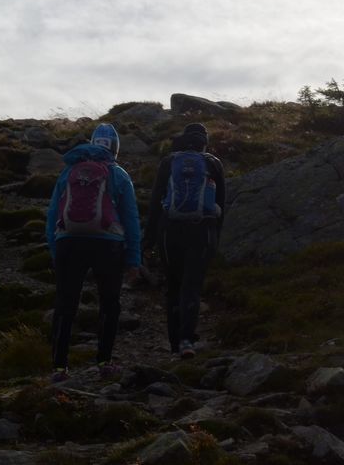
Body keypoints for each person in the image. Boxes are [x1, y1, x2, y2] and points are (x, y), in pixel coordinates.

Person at [44, 123, 142, 383]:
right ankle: (105, 362)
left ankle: (59, 368)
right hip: (108, 244)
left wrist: (55, 248)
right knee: (109, 303)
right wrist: (133, 260)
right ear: (115, 148)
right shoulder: (119, 174)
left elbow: (53, 213)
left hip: (69, 242)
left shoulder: (68, 172)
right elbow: (131, 219)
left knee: (66, 303)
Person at [145, 122, 225, 359]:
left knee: (173, 287)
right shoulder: (213, 163)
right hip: (201, 233)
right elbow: (221, 202)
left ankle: (173, 344)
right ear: (204, 142)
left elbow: (155, 202)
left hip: (169, 232)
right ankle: (187, 341)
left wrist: (148, 240)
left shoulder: (169, 162)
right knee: (191, 286)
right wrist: (215, 239)